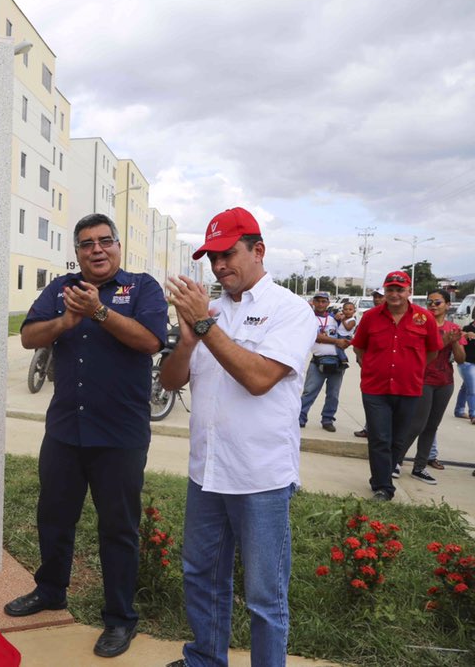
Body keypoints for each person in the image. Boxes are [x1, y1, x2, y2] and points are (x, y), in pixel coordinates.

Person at [2, 213, 167, 659]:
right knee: (54, 517)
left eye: (104, 241)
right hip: (65, 430)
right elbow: (28, 336)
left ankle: (120, 618)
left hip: (119, 435)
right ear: (76, 252)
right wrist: (65, 321)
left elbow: (151, 341)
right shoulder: (62, 289)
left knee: (118, 528)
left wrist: (99, 312)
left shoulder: (143, 288)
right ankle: (50, 591)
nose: (97, 249)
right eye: (86, 243)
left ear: (118, 246)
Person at [160, 207, 314, 667]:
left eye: (227, 253)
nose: (219, 265)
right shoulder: (209, 312)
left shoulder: (290, 310)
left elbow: (259, 378)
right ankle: (205, 660)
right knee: (201, 576)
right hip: (207, 473)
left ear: (258, 250)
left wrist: (204, 328)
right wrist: (188, 340)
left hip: (260, 478)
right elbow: (170, 381)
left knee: (265, 596)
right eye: (212, 257)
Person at [350, 271, 441, 501]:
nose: (394, 294)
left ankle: (380, 477)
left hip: (408, 388)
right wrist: (372, 366)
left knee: (398, 439)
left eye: (400, 290)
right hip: (375, 388)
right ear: (385, 291)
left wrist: (413, 368)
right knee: (379, 438)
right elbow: (359, 347)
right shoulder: (371, 317)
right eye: (390, 289)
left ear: (409, 291)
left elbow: (432, 351)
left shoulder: (424, 318)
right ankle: (384, 487)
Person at [394, 289, 466, 484]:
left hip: (445, 382)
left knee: (432, 426)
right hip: (423, 380)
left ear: (448, 305)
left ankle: (420, 467)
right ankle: (395, 461)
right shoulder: (421, 325)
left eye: (437, 302)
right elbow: (425, 351)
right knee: (417, 424)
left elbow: (461, 359)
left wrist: (455, 342)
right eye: (430, 302)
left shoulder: (453, 328)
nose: (433, 306)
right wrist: (445, 340)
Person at [299, 291, 349, 432]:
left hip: (337, 362)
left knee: (333, 394)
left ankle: (328, 419)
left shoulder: (334, 319)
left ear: (328, 303)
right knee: (309, 392)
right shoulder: (308, 318)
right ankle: (300, 418)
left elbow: (346, 332)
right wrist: (336, 341)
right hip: (317, 362)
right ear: (313, 302)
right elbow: (316, 337)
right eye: (318, 301)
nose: (321, 304)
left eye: (323, 301)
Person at [354, 288, 385, 438]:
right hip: (372, 367)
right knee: (372, 400)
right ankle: (369, 428)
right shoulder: (369, 316)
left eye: (380, 297)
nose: (377, 300)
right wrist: (362, 359)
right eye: (375, 297)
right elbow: (359, 342)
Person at [453, 320, 475, 423]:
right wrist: (465, 335)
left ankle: (459, 410)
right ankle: (473, 414)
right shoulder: (466, 329)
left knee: (466, 387)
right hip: (467, 364)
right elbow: (457, 340)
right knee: (473, 390)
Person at [334, 300, 357, 366]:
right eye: (346, 309)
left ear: (354, 311)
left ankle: (344, 359)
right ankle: (340, 359)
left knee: (338, 347)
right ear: (343, 311)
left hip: (345, 336)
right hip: (339, 335)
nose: (348, 311)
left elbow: (348, 328)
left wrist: (343, 321)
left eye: (350, 309)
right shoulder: (343, 317)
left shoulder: (352, 320)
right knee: (336, 347)